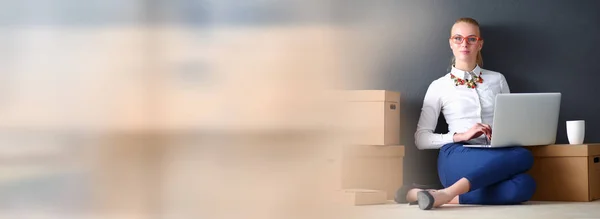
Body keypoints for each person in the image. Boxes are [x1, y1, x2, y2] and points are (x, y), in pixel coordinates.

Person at [401, 17, 536, 210]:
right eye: (458, 38)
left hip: (494, 153)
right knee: (524, 157)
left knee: (525, 184)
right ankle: (447, 192)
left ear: (479, 44)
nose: (464, 43)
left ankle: (441, 195)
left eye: (471, 39)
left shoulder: (497, 79)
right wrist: (461, 136)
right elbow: (421, 139)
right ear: (451, 43)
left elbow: (510, 121)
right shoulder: (439, 86)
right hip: (456, 155)